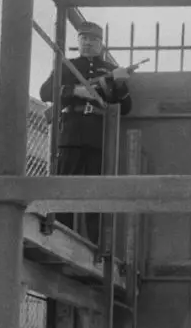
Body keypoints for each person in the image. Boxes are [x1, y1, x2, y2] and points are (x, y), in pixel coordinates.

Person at [38, 21, 132, 242]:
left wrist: (120, 85)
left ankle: (95, 244)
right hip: (70, 134)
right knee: (64, 189)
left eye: (94, 40)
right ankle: (60, 240)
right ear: (78, 41)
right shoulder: (67, 66)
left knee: (95, 192)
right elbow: (45, 92)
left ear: (101, 44)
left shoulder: (110, 70)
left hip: (97, 136)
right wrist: (75, 91)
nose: (88, 43)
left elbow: (127, 107)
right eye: (84, 39)